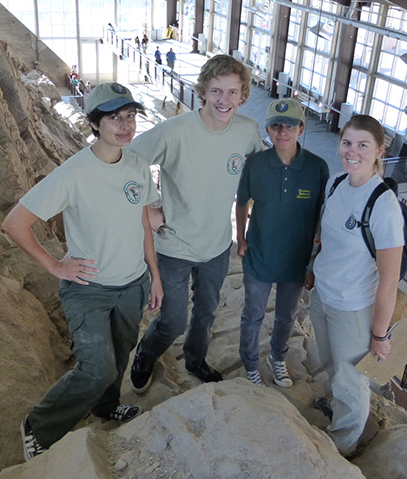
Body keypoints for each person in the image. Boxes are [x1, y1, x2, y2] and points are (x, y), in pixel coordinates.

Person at [2, 82, 163, 461]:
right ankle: (38, 426)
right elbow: (14, 223)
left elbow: (143, 222)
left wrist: (153, 275)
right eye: (113, 118)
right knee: (96, 366)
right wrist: (55, 265)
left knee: (121, 353)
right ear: (95, 123)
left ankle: (106, 407)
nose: (125, 125)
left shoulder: (138, 166)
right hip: (88, 288)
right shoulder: (73, 173)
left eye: (130, 116)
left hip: (132, 284)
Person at [128, 54, 263, 393]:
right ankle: (146, 353)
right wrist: (147, 209)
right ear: (202, 91)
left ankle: (194, 359)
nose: (224, 101)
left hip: (217, 245)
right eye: (216, 91)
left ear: (243, 95)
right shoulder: (175, 132)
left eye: (233, 92)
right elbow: (128, 162)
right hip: (173, 245)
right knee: (173, 320)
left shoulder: (247, 131)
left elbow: (259, 174)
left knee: (206, 313)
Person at [309, 114, 404, 458]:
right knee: (330, 360)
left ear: (379, 150)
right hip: (324, 293)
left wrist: (379, 335)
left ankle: (343, 444)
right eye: (347, 143)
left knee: (351, 379)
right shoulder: (336, 183)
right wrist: (312, 270)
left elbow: (389, 278)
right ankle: (338, 408)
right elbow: (327, 237)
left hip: (352, 307)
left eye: (363, 145)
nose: (353, 152)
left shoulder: (383, 206)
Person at [236, 98, 329, 387]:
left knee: (286, 317)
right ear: (267, 130)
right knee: (252, 314)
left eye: (289, 126)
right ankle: (250, 364)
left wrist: (313, 260)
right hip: (260, 255)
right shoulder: (256, 164)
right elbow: (242, 202)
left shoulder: (317, 168)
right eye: (275, 126)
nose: (282, 132)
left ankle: (277, 358)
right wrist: (240, 238)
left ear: (301, 129)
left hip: (295, 259)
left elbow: (320, 216)